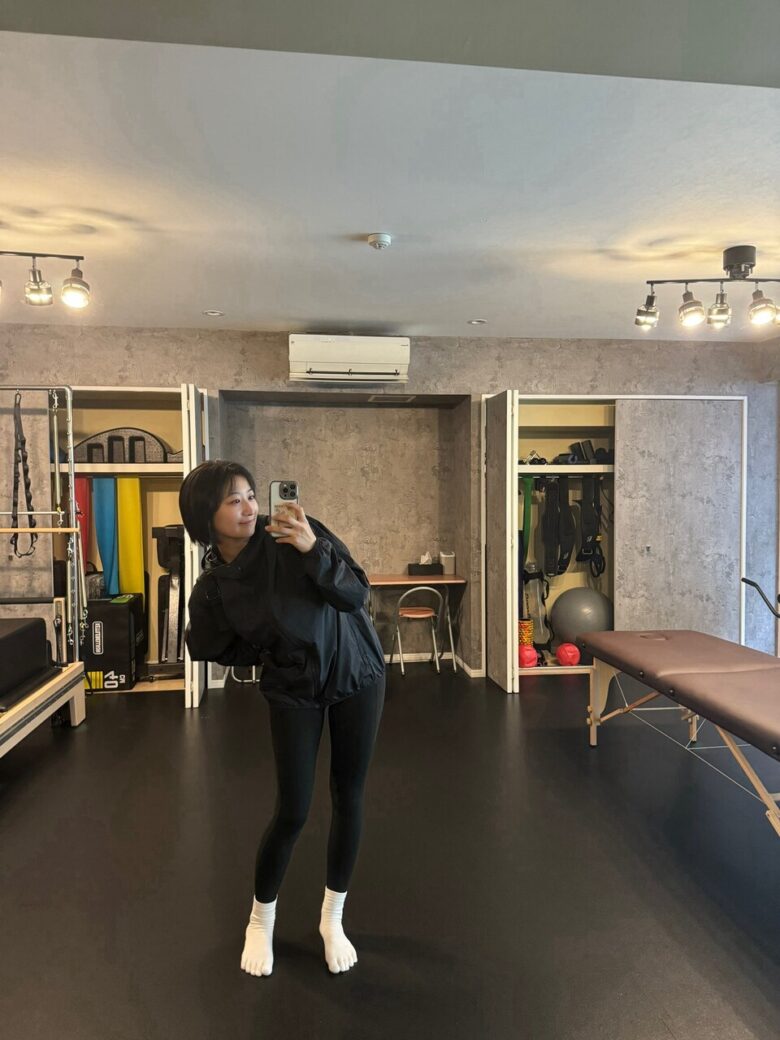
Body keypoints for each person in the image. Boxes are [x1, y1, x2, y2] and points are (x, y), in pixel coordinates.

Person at [179, 460, 386, 977]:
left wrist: (313, 550)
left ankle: (332, 919)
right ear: (205, 517)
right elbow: (207, 645)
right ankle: (260, 919)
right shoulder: (214, 587)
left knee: (349, 796)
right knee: (293, 810)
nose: (250, 507)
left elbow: (355, 594)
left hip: (357, 670)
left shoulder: (296, 534)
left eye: (251, 495)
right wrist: (270, 653)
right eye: (233, 500)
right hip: (294, 690)